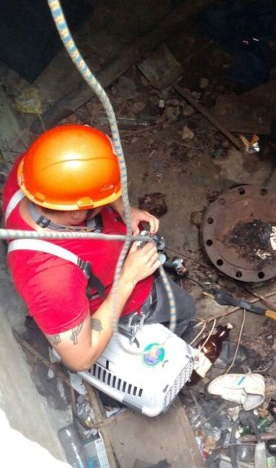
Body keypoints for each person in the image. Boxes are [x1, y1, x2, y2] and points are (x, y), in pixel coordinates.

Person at [2, 124, 196, 372]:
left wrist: (123, 210)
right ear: (76, 213)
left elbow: (80, 185)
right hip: (119, 297)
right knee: (184, 309)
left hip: (110, 264)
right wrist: (128, 278)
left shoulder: (36, 171)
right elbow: (79, 359)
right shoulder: (51, 279)